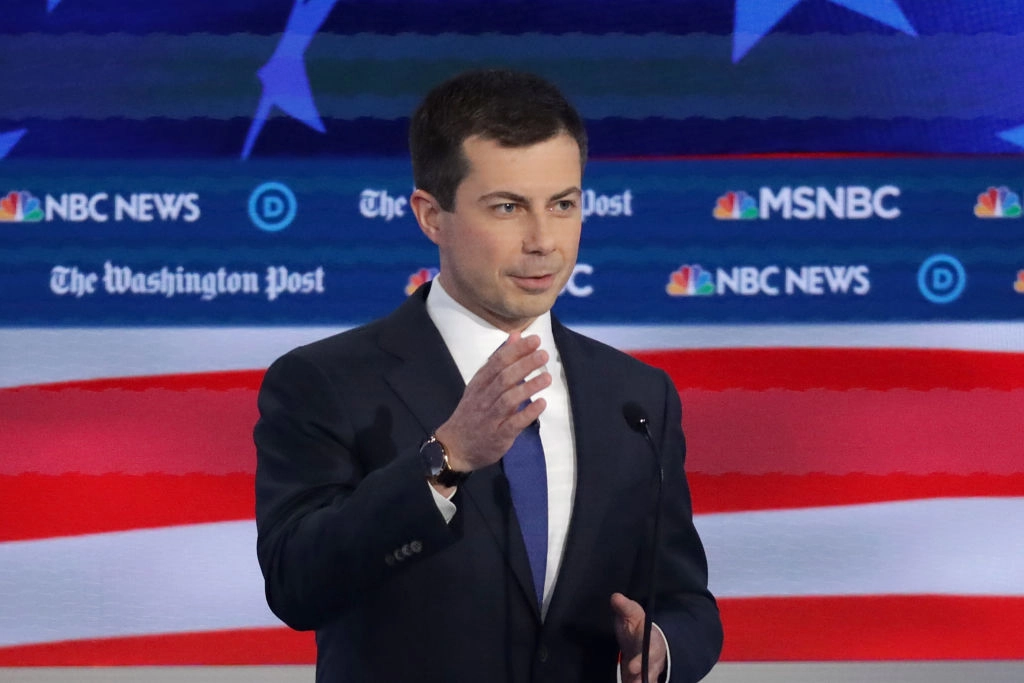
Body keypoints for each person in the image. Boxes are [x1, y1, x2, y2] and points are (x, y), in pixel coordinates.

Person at [254, 68, 722, 683]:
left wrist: (658, 646)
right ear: (431, 216)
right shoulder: (325, 382)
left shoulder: (636, 397)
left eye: (563, 205)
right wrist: (445, 459)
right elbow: (296, 585)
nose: (543, 241)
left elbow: (684, 599)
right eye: (507, 207)